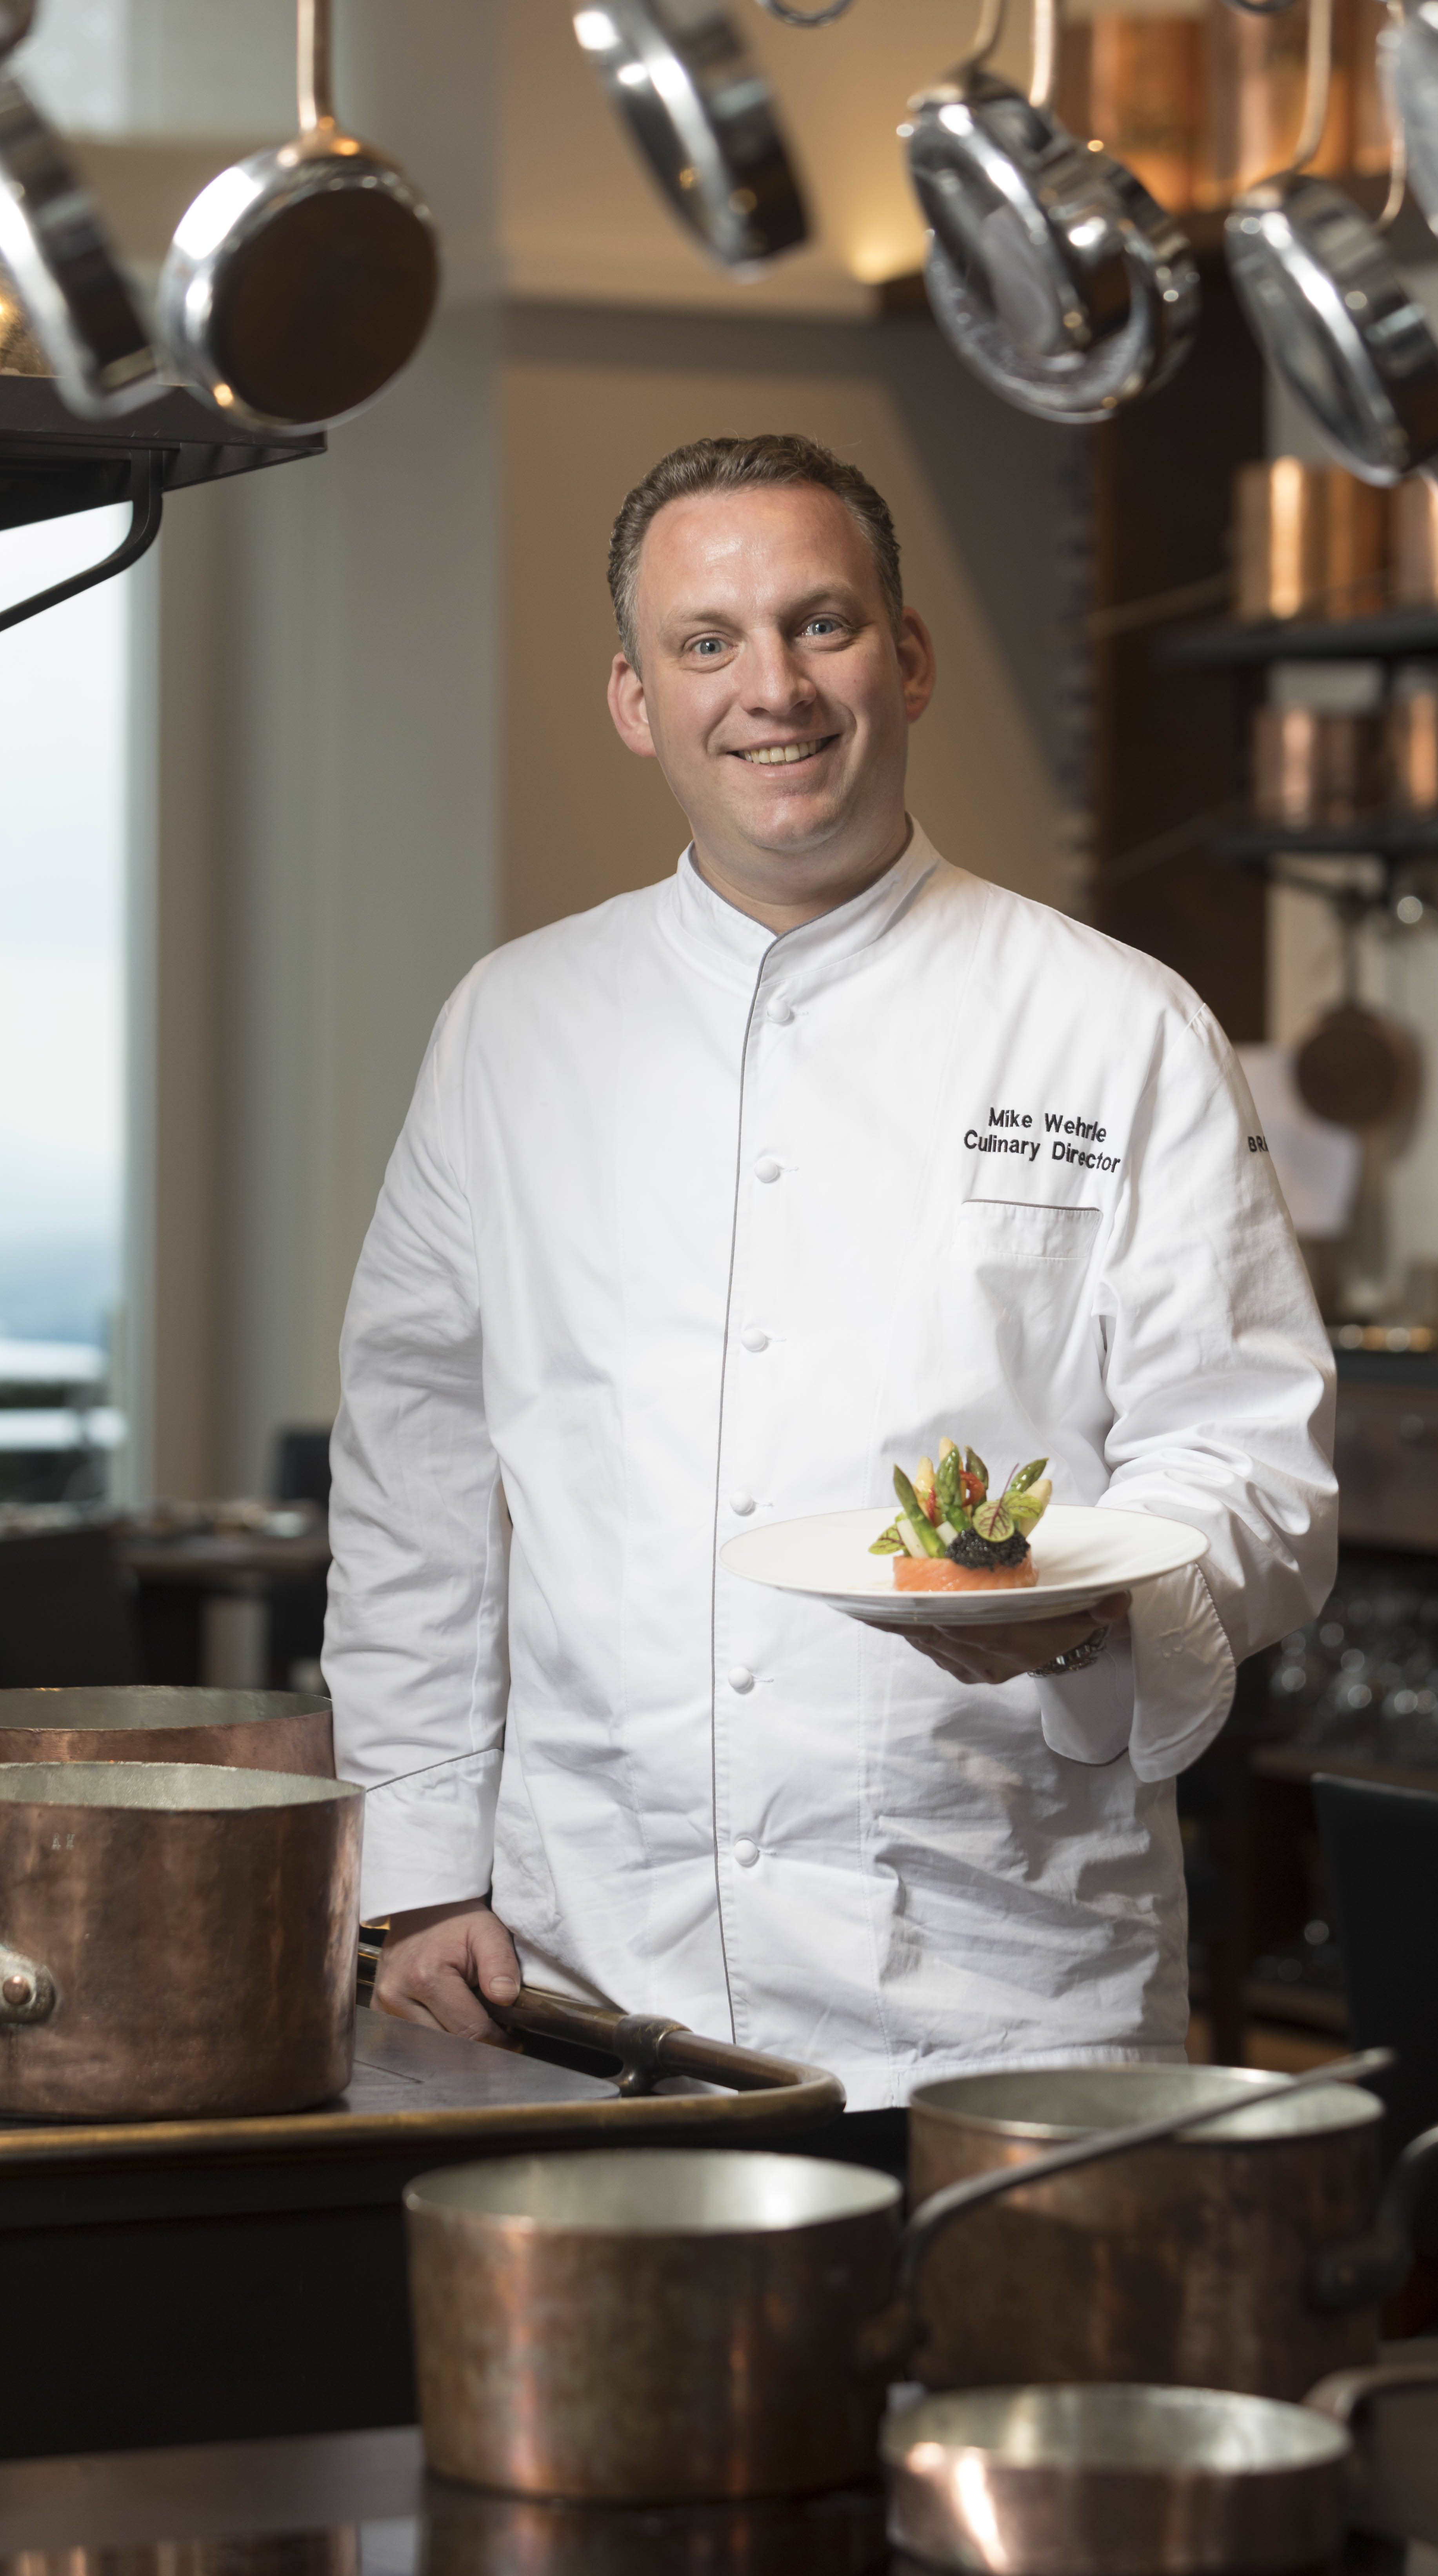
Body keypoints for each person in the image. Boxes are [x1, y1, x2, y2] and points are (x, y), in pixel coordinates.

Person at [326, 431, 1336, 2148]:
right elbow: (415, 1470)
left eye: (822, 624)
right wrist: (419, 1877)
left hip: (993, 1986)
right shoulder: (511, 1028)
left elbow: (1257, 1467)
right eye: (706, 643)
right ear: (636, 700)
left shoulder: (1116, 1026)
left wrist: (1095, 1608)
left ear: (909, 657)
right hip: (581, 1984)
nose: (772, 689)